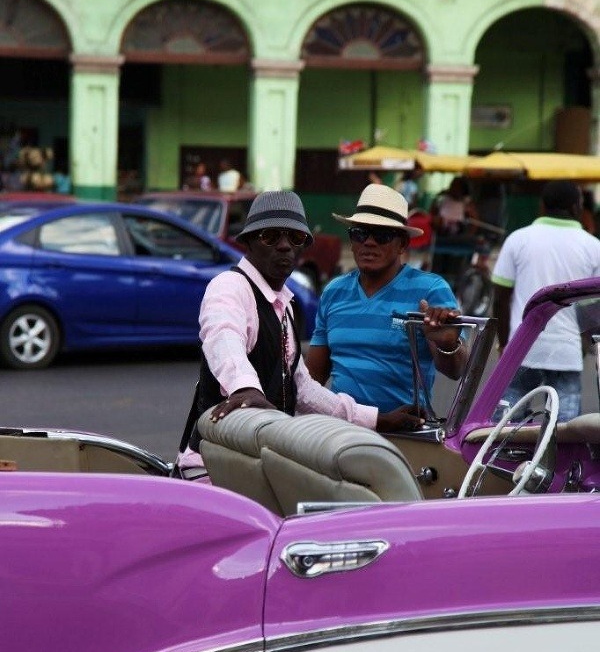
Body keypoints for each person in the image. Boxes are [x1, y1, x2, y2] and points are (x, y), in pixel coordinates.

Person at [178, 190, 442, 473]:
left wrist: (378, 419)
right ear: (249, 241)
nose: (284, 246)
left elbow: (302, 388)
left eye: (296, 238)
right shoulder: (230, 287)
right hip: (213, 465)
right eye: (271, 236)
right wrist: (243, 386)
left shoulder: (285, 305)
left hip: (260, 460)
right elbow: (223, 335)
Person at [305, 183, 466, 413]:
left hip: (405, 436)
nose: (369, 242)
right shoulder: (334, 292)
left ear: (403, 244)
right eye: (360, 233)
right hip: (341, 432)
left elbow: (456, 369)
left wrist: (447, 344)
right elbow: (313, 377)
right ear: (351, 241)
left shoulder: (430, 290)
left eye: (381, 235)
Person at [491, 179, 600, 421]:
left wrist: (504, 344)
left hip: (522, 347)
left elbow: (500, 297)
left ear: (542, 206)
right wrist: (585, 344)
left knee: (507, 427)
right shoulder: (593, 247)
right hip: (567, 351)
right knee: (563, 432)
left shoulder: (518, 239)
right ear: (576, 207)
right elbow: (593, 308)